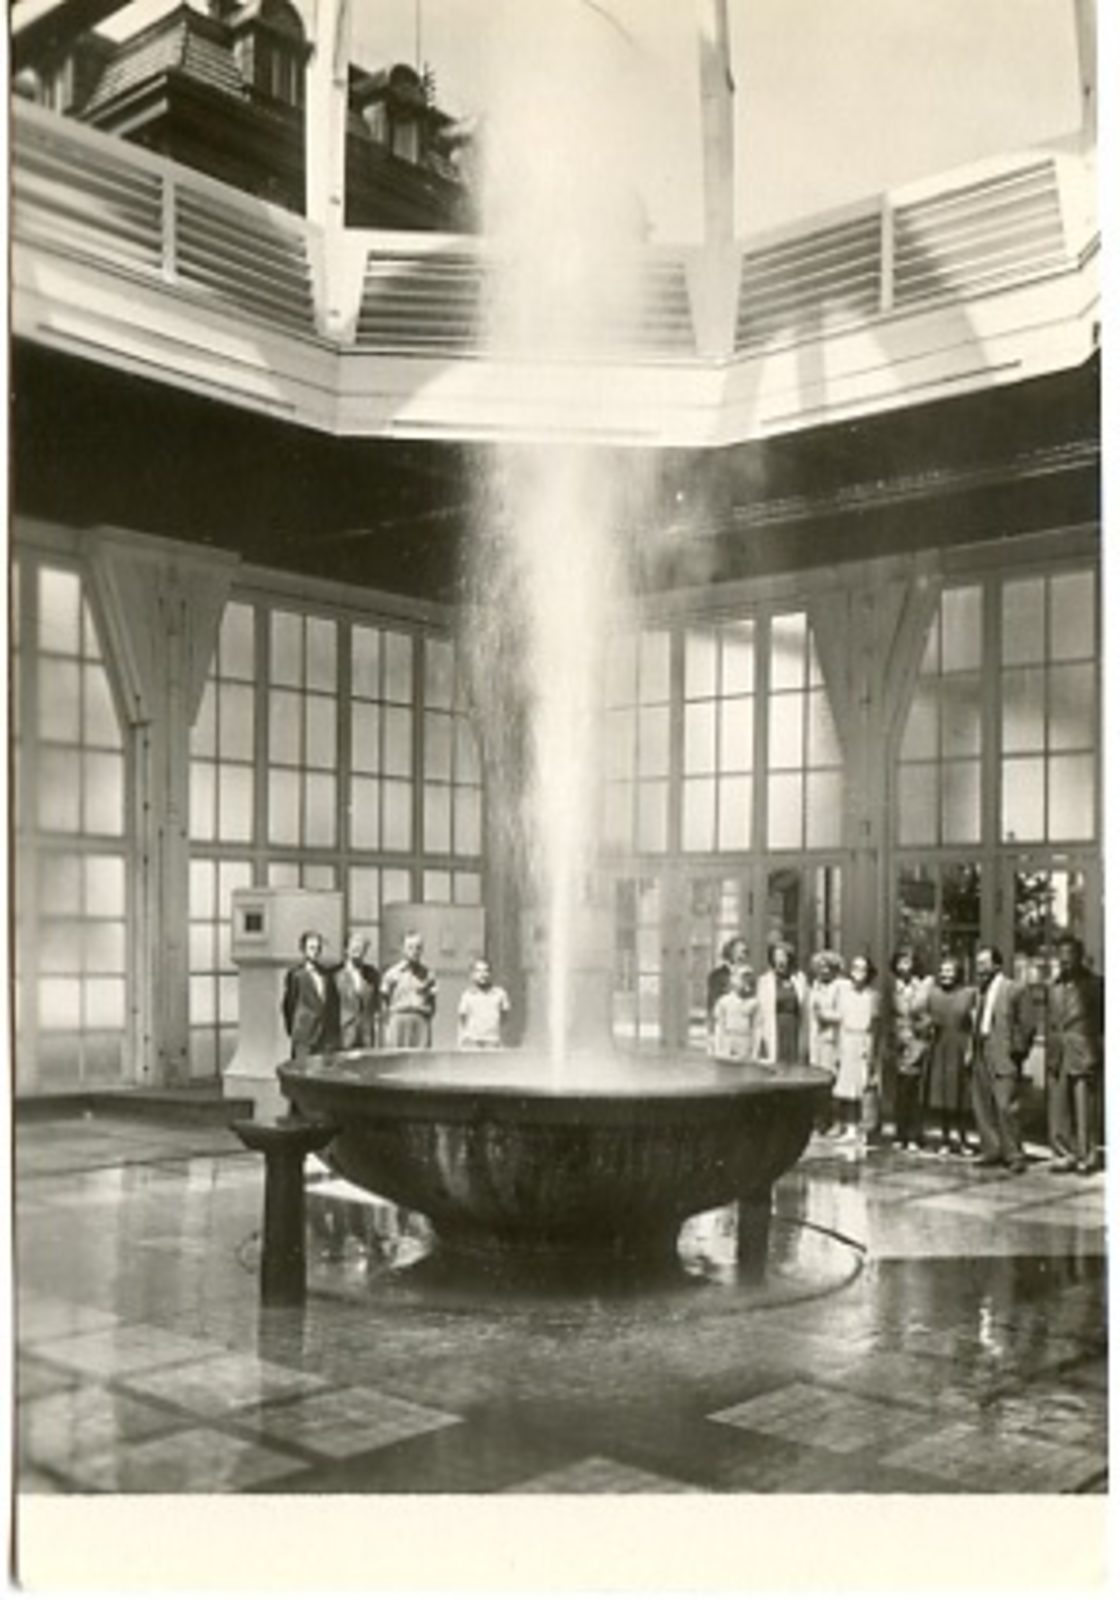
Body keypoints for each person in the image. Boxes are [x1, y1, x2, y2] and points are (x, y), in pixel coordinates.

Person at [971, 945, 1036, 1173]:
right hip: (981, 1051)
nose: (979, 969)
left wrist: (1017, 1052)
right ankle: (992, 1150)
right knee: (982, 1104)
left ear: (997, 965)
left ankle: (1014, 1154)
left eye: (984, 964)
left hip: (1004, 1054)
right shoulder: (980, 991)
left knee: (1005, 1106)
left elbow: (1027, 1025)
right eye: (977, 964)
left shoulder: (1014, 989)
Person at [1046, 935, 1104, 1174]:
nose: (1064, 961)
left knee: (1084, 1106)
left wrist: (1096, 1048)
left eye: (1069, 956)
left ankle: (1087, 1154)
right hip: (1058, 1051)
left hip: (1084, 1050)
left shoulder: (1096, 985)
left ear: (1079, 956)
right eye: (1060, 956)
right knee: (1058, 1106)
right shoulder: (1053, 986)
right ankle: (1064, 1154)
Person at [924, 954, 978, 1155]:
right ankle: (945, 1138)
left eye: (949, 971)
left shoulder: (969, 994)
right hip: (940, 1046)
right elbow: (925, 1018)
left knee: (960, 1095)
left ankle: (962, 1138)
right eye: (942, 971)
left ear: (958, 973)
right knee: (943, 1094)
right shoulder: (934, 994)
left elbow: (974, 1025)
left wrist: (971, 1049)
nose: (944, 975)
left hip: (960, 1045)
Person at [834, 954, 881, 1146]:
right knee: (847, 1087)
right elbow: (841, 1023)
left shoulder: (873, 996)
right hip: (848, 1040)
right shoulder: (844, 994)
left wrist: (871, 1050)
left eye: (862, 969)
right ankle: (850, 1127)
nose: (858, 972)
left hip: (864, 1040)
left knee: (864, 1086)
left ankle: (866, 1129)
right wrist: (839, 1048)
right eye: (855, 968)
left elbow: (875, 1026)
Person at [889, 947, 931, 1151]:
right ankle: (900, 1133)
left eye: (907, 961)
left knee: (915, 1090)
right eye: (900, 962)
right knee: (900, 1090)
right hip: (898, 1042)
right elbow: (888, 1014)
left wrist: (919, 1030)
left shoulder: (923, 986)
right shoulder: (892, 986)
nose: (903, 966)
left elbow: (929, 1014)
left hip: (917, 1042)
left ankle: (915, 1134)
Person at [281, 930, 340, 1058]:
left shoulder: (326, 974)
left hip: (324, 1036)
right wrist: (295, 1029)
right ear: (303, 950)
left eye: (318, 948)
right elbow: (289, 1004)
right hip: (304, 1035)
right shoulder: (296, 975)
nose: (315, 952)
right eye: (312, 948)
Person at [381, 931, 438, 1048]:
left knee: (421, 1058)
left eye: (418, 947)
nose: (414, 951)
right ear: (403, 949)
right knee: (396, 1057)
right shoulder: (392, 973)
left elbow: (432, 1003)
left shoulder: (428, 975)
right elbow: (384, 1001)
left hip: (420, 1021)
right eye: (410, 947)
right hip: (398, 1021)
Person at [808, 950, 844, 1132]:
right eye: (820, 967)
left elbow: (843, 1014)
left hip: (832, 1039)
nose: (824, 971)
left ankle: (834, 1120)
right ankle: (819, 1120)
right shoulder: (814, 986)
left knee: (832, 1079)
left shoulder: (840, 987)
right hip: (816, 1039)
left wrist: (824, 1015)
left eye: (828, 967)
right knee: (817, 1080)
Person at [756, 939, 808, 1064]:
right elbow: (760, 1013)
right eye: (777, 956)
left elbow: (805, 1009)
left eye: (784, 956)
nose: (781, 961)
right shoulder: (765, 981)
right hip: (775, 1026)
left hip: (794, 1027)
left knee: (794, 1063)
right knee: (776, 1062)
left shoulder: (799, 979)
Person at [335, 932, 381, 1050]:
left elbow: (377, 1004)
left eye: (361, 948)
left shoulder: (372, 974)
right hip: (344, 1034)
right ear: (346, 950)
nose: (358, 952)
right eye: (354, 948)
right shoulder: (336, 975)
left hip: (366, 1035)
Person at [710, 964, 761, 1062]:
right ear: (733, 980)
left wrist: (755, 1052)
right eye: (742, 979)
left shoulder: (754, 1003)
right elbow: (719, 1025)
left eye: (748, 979)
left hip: (745, 1041)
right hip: (727, 1040)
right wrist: (717, 1048)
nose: (746, 983)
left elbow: (757, 1027)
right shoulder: (723, 1001)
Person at [458, 958, 511, 1049]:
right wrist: (461, 1042)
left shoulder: (500, 994)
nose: (482, 975)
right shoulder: (467, 995)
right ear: (473, 975)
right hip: (472, 1042)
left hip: (492, 1041)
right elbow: (462, 1019)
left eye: (486, 971)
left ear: (491, 974)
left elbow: (505, 1017)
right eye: (478, 971)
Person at [706, 936, 749, 1033]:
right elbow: (712, 1003)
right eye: (737, 951)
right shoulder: (717, 976)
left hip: (743, 1028)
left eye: (744, 952)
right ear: (729, 952)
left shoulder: (748, 975)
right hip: (724, 1026)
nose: (741, 956)